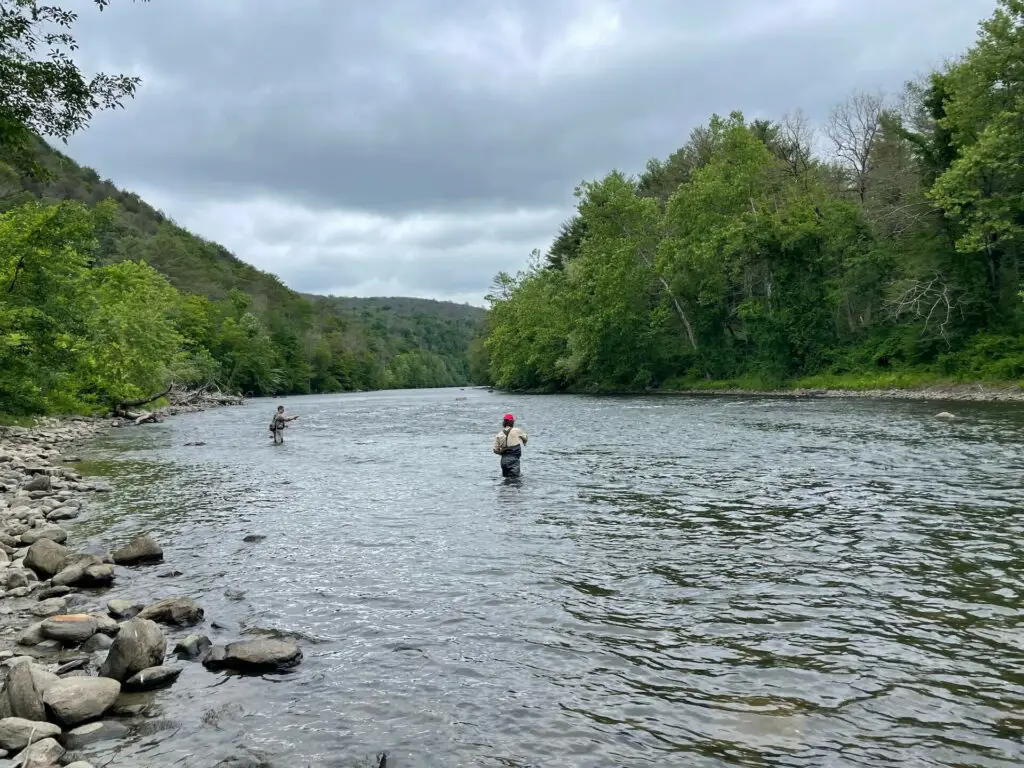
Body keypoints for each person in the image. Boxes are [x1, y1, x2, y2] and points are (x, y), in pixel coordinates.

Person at [492, 413, 527, 477]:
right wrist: (524, 441)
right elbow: (525, 437)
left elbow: (495, 450)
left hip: (503, 462)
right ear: (512, 422)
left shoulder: (499, 435)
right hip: (513, 462)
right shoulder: (517, 430)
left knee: (506, 481)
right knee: (515, 482)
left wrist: (501, 452)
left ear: (504, 422)